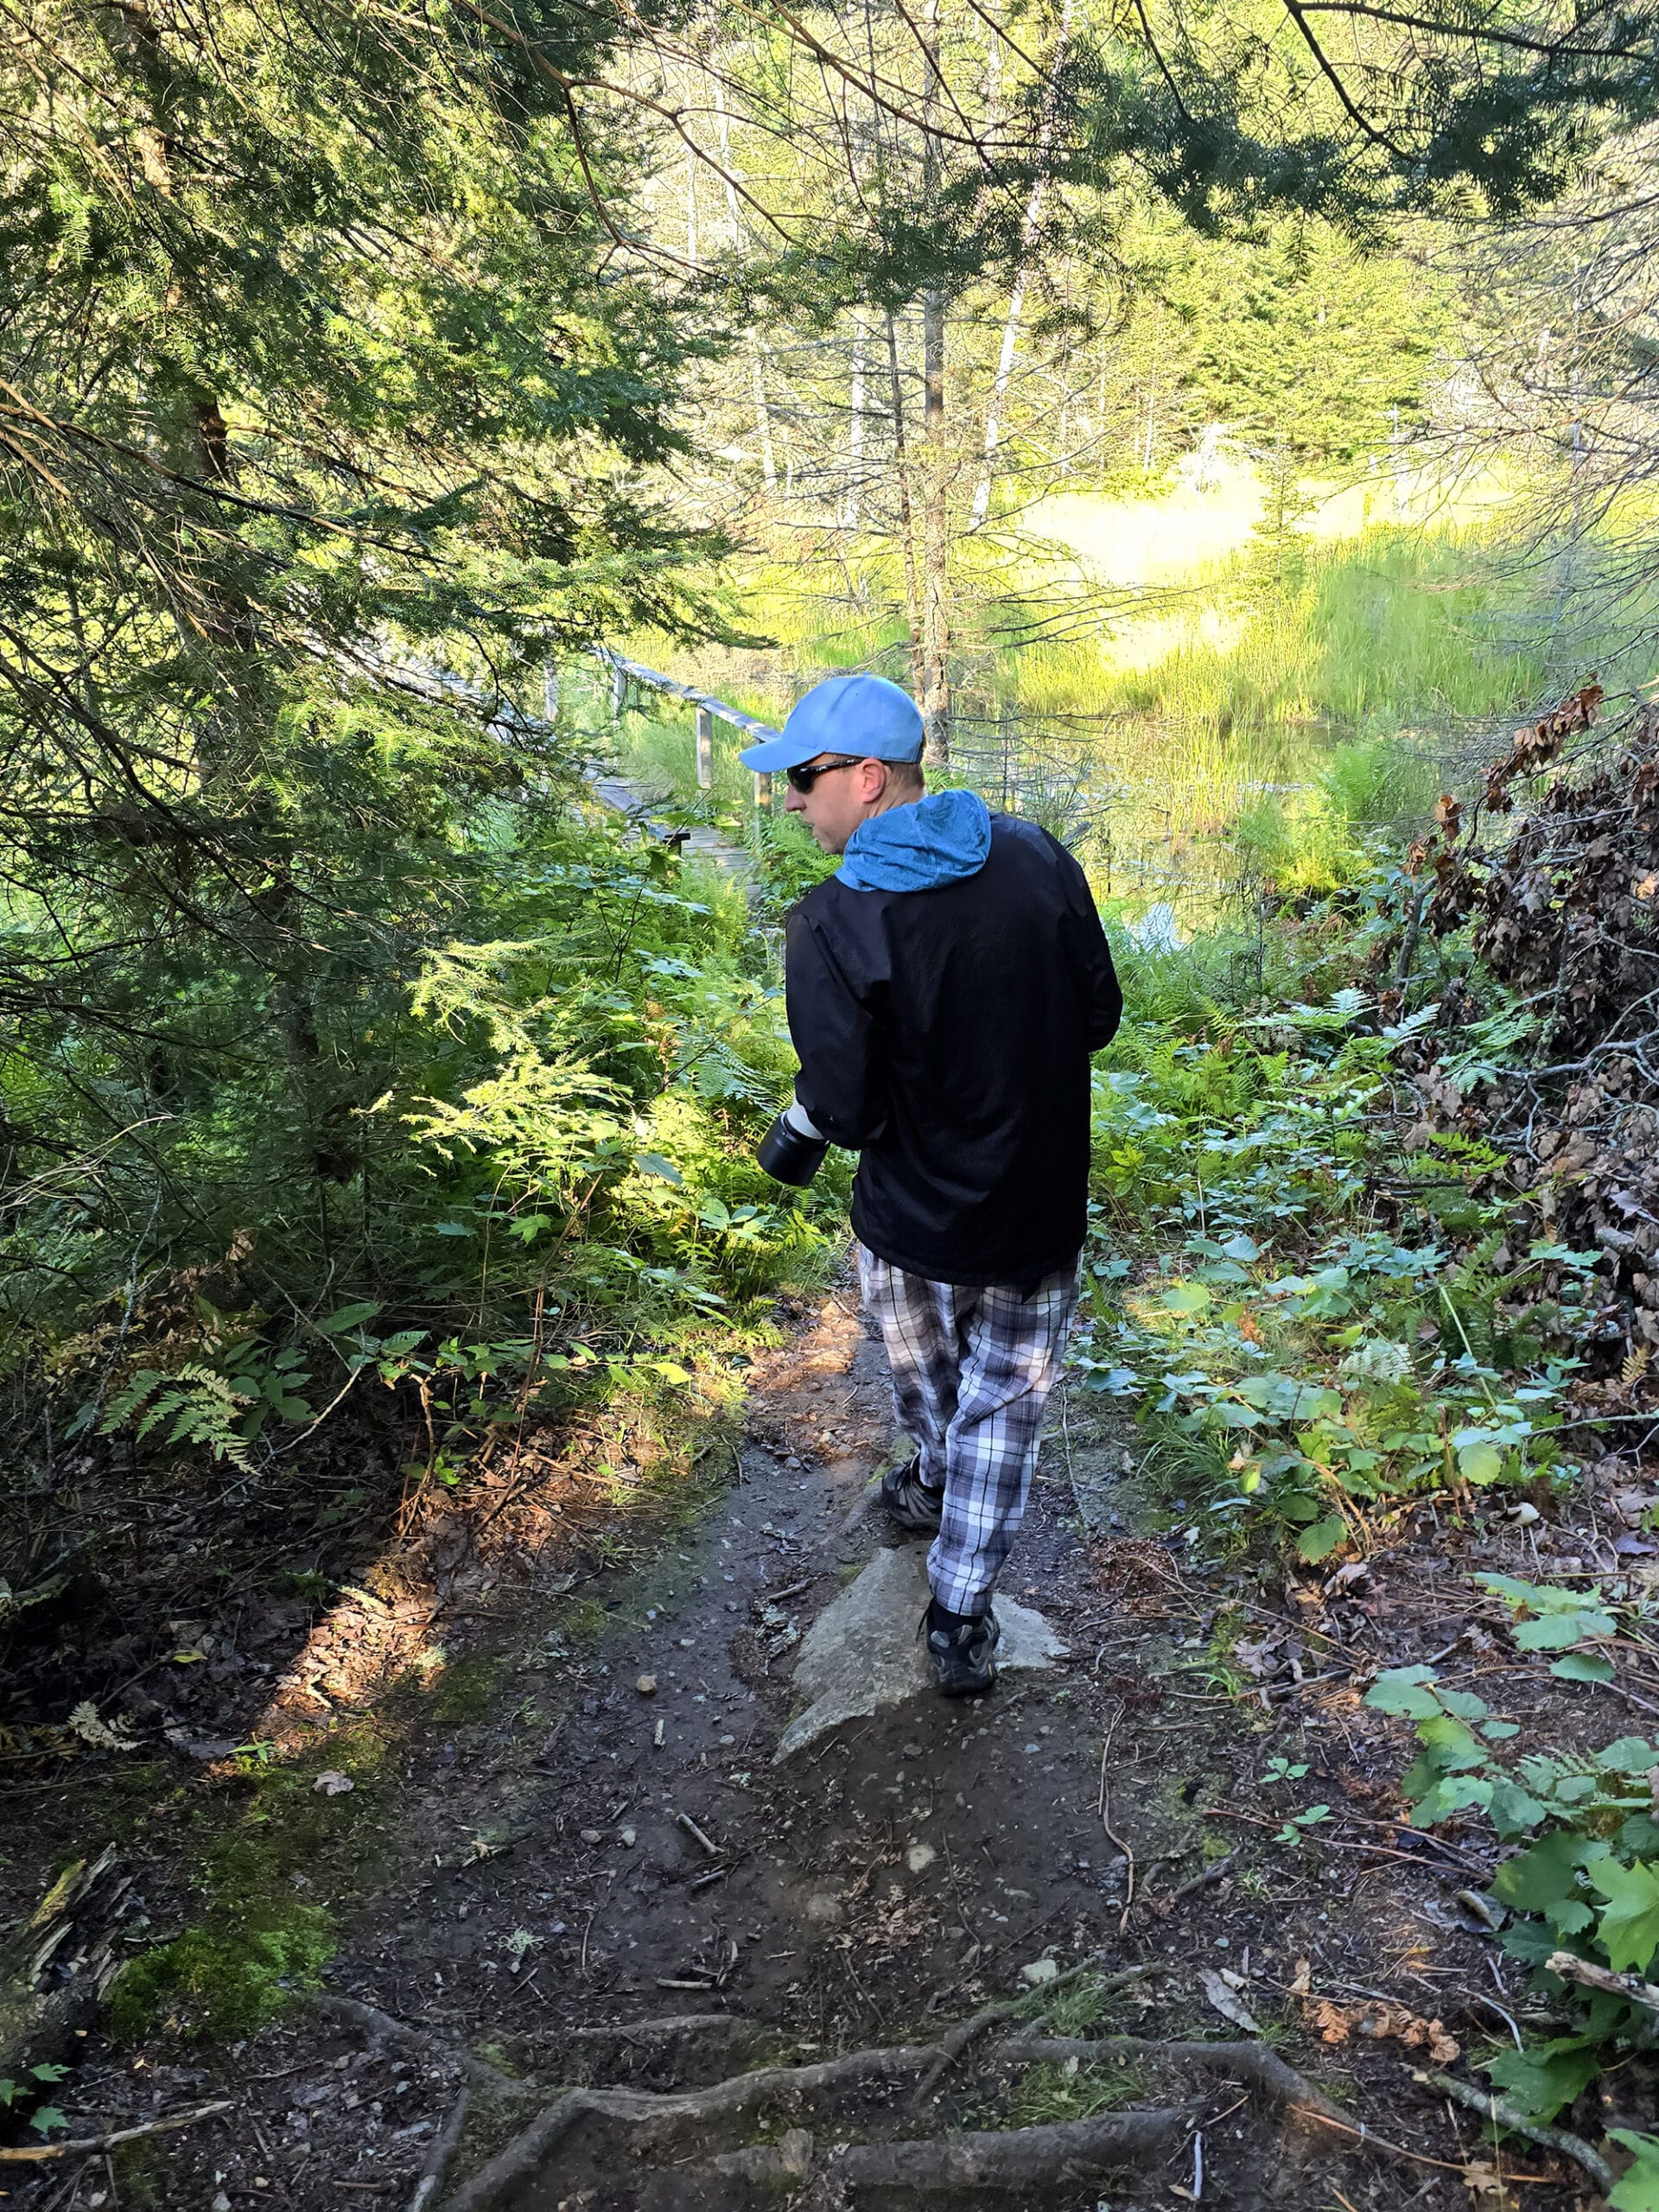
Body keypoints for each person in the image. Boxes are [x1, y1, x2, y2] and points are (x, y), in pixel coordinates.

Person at [741, 672, 1122, 1696]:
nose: (789, 798)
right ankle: (959, 1618)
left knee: (930, 1382)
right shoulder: (1038, 856)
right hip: (1038, 1210)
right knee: (1007, 1404)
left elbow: (849, 1109)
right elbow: (1098, 1015)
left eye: (801, 778)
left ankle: (933, 1478)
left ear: (867, 779)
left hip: (910, 1223)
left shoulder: (830, 920)